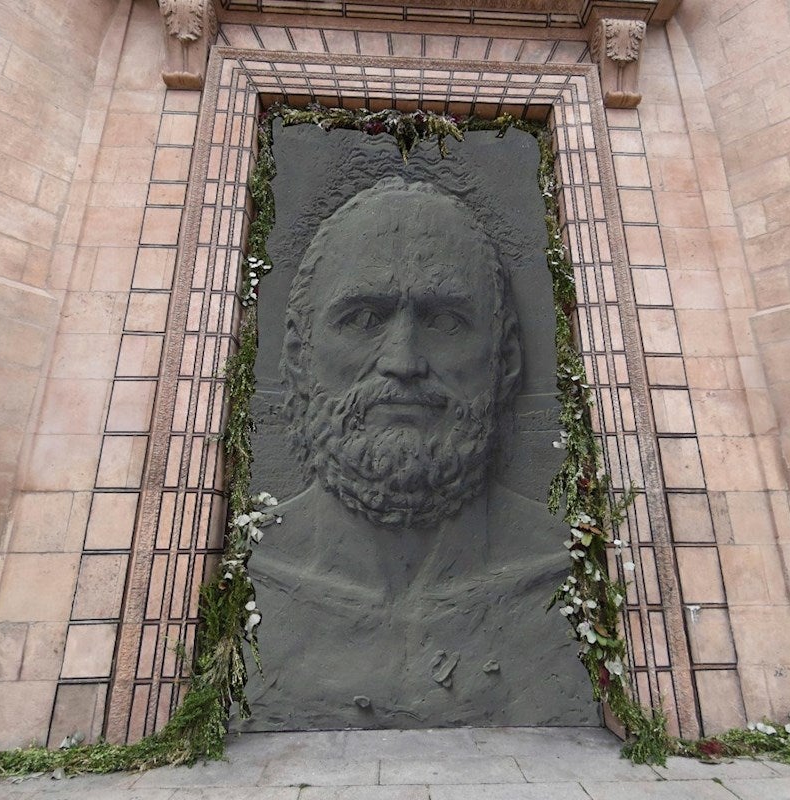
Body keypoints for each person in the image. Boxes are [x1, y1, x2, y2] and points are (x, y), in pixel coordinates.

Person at [243, 177, 596, 730]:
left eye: (446, 322)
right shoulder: (250, 573)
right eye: (362, 319)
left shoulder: (563, 572)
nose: (403, 361)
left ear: (504, 360)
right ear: (297, 354)